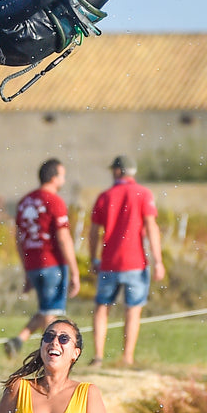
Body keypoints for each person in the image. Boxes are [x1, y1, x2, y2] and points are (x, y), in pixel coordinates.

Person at [88, 155, 165, 367]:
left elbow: (93, 232)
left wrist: (93, 258)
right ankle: (127, 357)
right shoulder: (144, 194)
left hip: (109, 262)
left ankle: (98, 356)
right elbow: (151, 227)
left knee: (102, 308)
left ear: (117, 171)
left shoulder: (105, 196)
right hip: (136, 262)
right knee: (132, 310)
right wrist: (158, 261)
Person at [6, 158, 79, 356]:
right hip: (52, 264)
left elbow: (19, 239)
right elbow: (63, 238)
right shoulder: (55, 201)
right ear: (54, 178)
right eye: (62, 176)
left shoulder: (24, 202)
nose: (64, 180)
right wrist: (75, 271)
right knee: (51, 315)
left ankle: (18, 340)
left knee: (47, 309)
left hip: (33, 264)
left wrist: (26, 270)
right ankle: (50, 357)